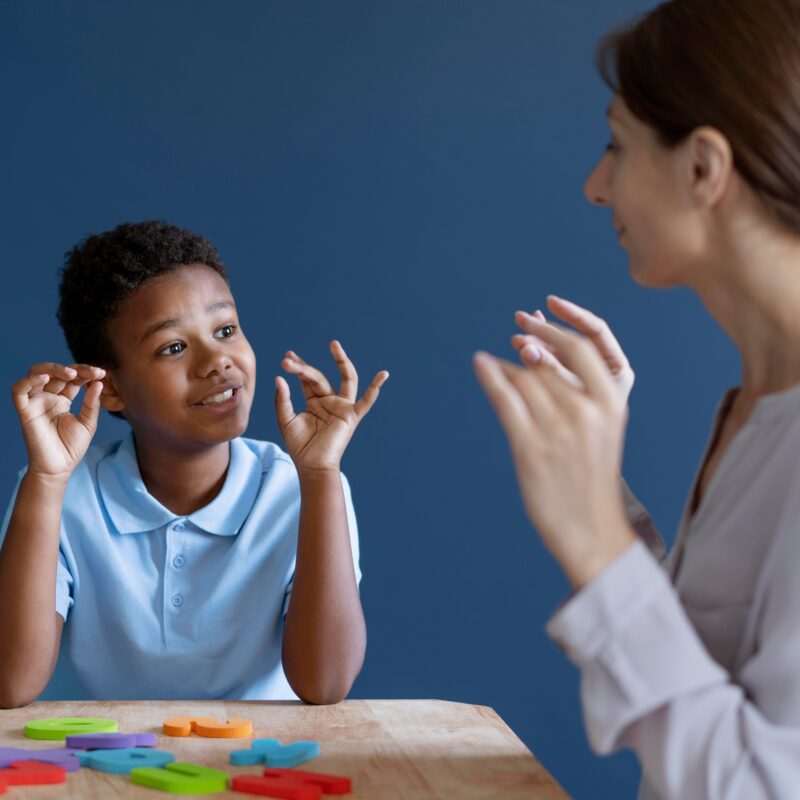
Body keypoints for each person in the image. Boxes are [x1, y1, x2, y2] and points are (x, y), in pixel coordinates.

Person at [474, 0, 800, 797]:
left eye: (617, 146)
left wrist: (595, 540)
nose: (595, 187)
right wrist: (603, 494)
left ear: (703, 168)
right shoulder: (760, 406)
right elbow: (709, 672)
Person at [0, 220, 388, 707]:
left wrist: (321, 476)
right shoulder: (58, 492)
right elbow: (9, 683)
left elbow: (325, 684)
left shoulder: (300, 486)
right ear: (111, 389)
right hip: (98, 753)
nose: (217, 360)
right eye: (174, 347)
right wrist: (46, 478)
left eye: (225, 330)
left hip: (255, 752)